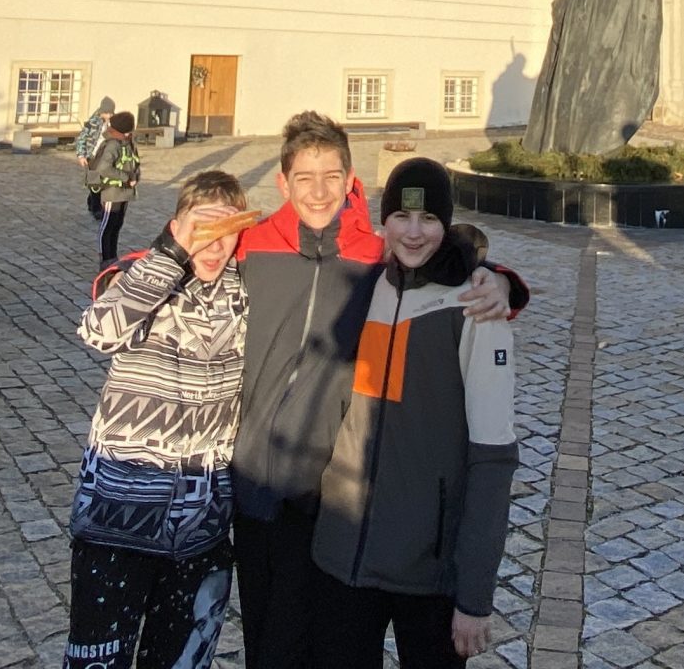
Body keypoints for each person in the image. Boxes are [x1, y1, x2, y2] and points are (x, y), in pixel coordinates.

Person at [231, 112, 528, 669]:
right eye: (304, 177)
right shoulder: (273, 252)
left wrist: (500, 281)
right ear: (283, 182)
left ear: (351, 183)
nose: (413, 231)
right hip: (298, 519)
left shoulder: (398, 271)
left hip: (379, 534)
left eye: (332, 176)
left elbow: (492, 458)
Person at [313, 158, 516, 669]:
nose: (413, 232)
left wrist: (474, 596)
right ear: (385, 220)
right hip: (345, 556)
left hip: (429, 571)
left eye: (428, 219)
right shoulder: (366, 288)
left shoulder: (476, 307)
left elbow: (493, 459)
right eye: (401, 216)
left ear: (446, 223)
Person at [63, 171, 260, 669]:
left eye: (225, 230)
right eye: (200, 228)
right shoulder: (142, 275)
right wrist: (169, 257)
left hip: (201, 533)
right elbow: (99, 330)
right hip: (116, 526)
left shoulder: (247, 292)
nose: (213, 245)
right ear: (176, 228)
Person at [86, 110, 142, 269]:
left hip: (125, 192)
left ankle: (113, 256)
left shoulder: (128, 143)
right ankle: (105, 258)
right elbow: (104, 168)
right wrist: (126, 178)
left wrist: (136, 176)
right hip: (112, 191)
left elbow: (134, 163)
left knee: (117, 224)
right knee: (107, 225)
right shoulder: (113, 145)